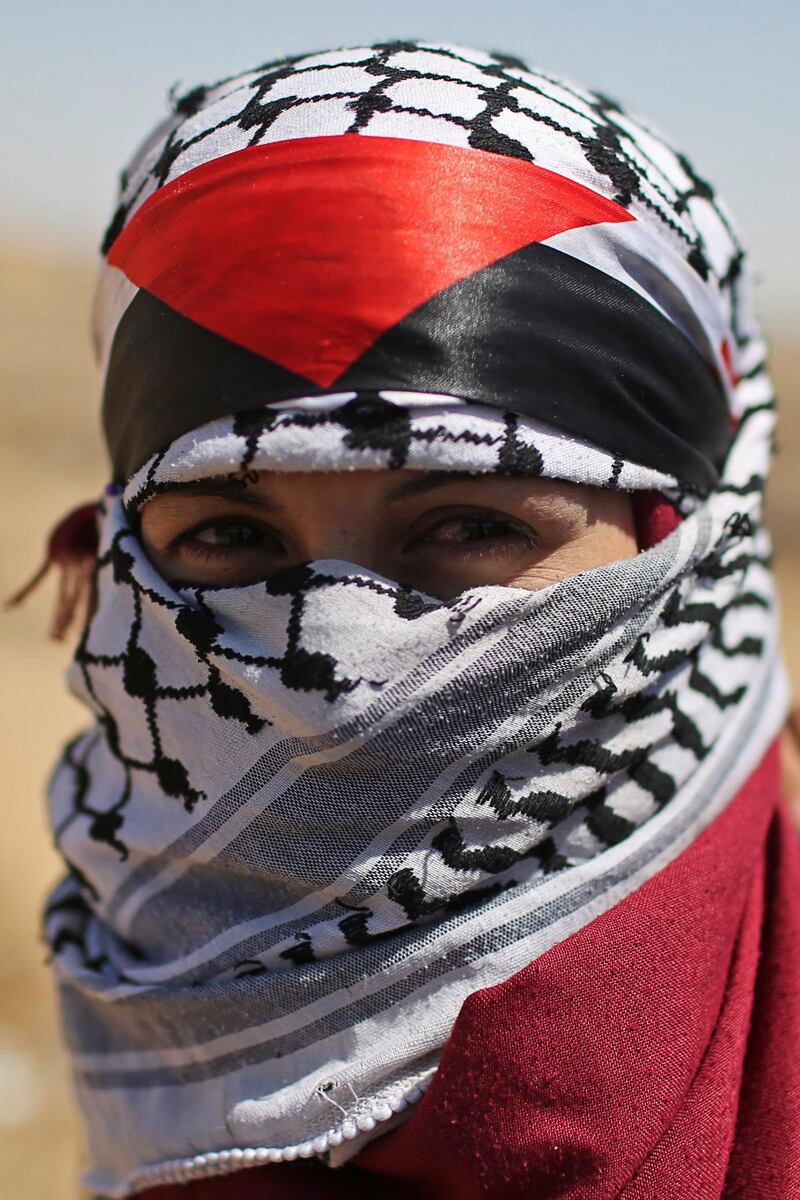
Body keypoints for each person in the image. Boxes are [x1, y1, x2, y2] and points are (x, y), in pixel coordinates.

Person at [37, 40, 800, 1199]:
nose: (334, 663)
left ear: (679, 538)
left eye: (465, 527)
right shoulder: (142, 978)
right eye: (230, 540)